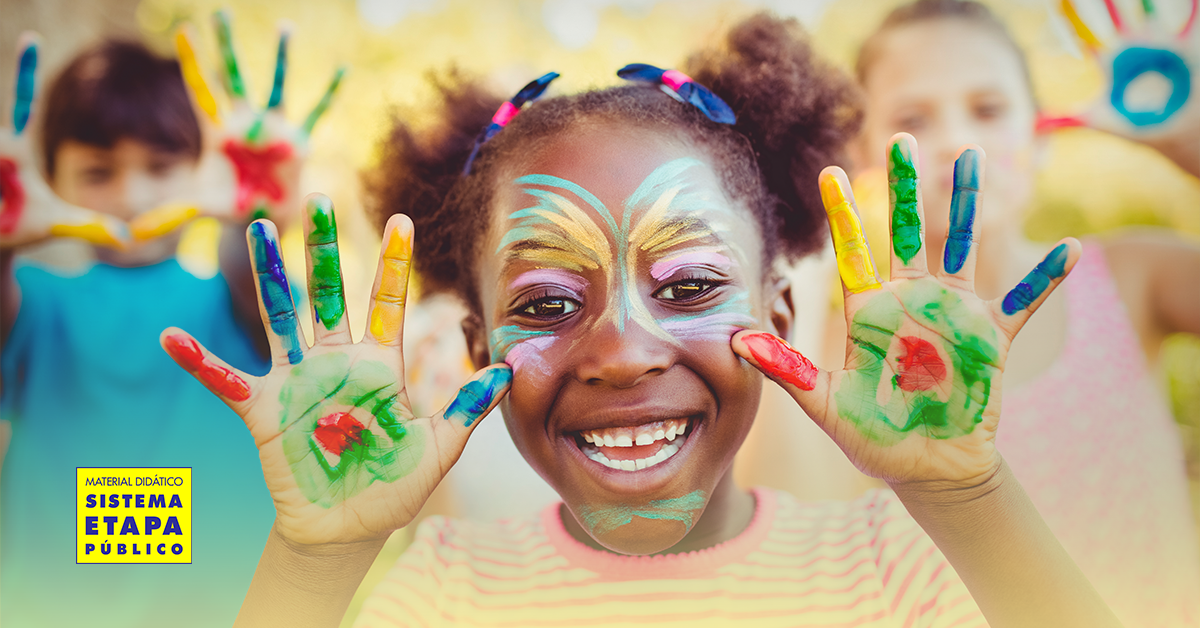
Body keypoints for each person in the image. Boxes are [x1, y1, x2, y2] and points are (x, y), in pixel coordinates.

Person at [166, 13, 1121, 627]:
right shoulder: (450, 590)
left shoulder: (887, 572)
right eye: (545, 303)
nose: (622, 353)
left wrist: (966, 497)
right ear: (477, 353)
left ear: (782, 318)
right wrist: (315, 561)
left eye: (694, 286)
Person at [847, 1, 1200, 625]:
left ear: (1038, 138)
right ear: (865, 158)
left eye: (988, 109)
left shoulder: (1129, 277)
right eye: (912, 119)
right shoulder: (849, 349)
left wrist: (1192, 144)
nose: (957, 138)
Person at [0, 15, 335, 625]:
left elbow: (249, 272)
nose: (133, 196)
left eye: (160, 167)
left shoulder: (232, 302)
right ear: (51, 181)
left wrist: (254, 215)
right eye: (98, 173)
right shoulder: (32, 300)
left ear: (205, 167)